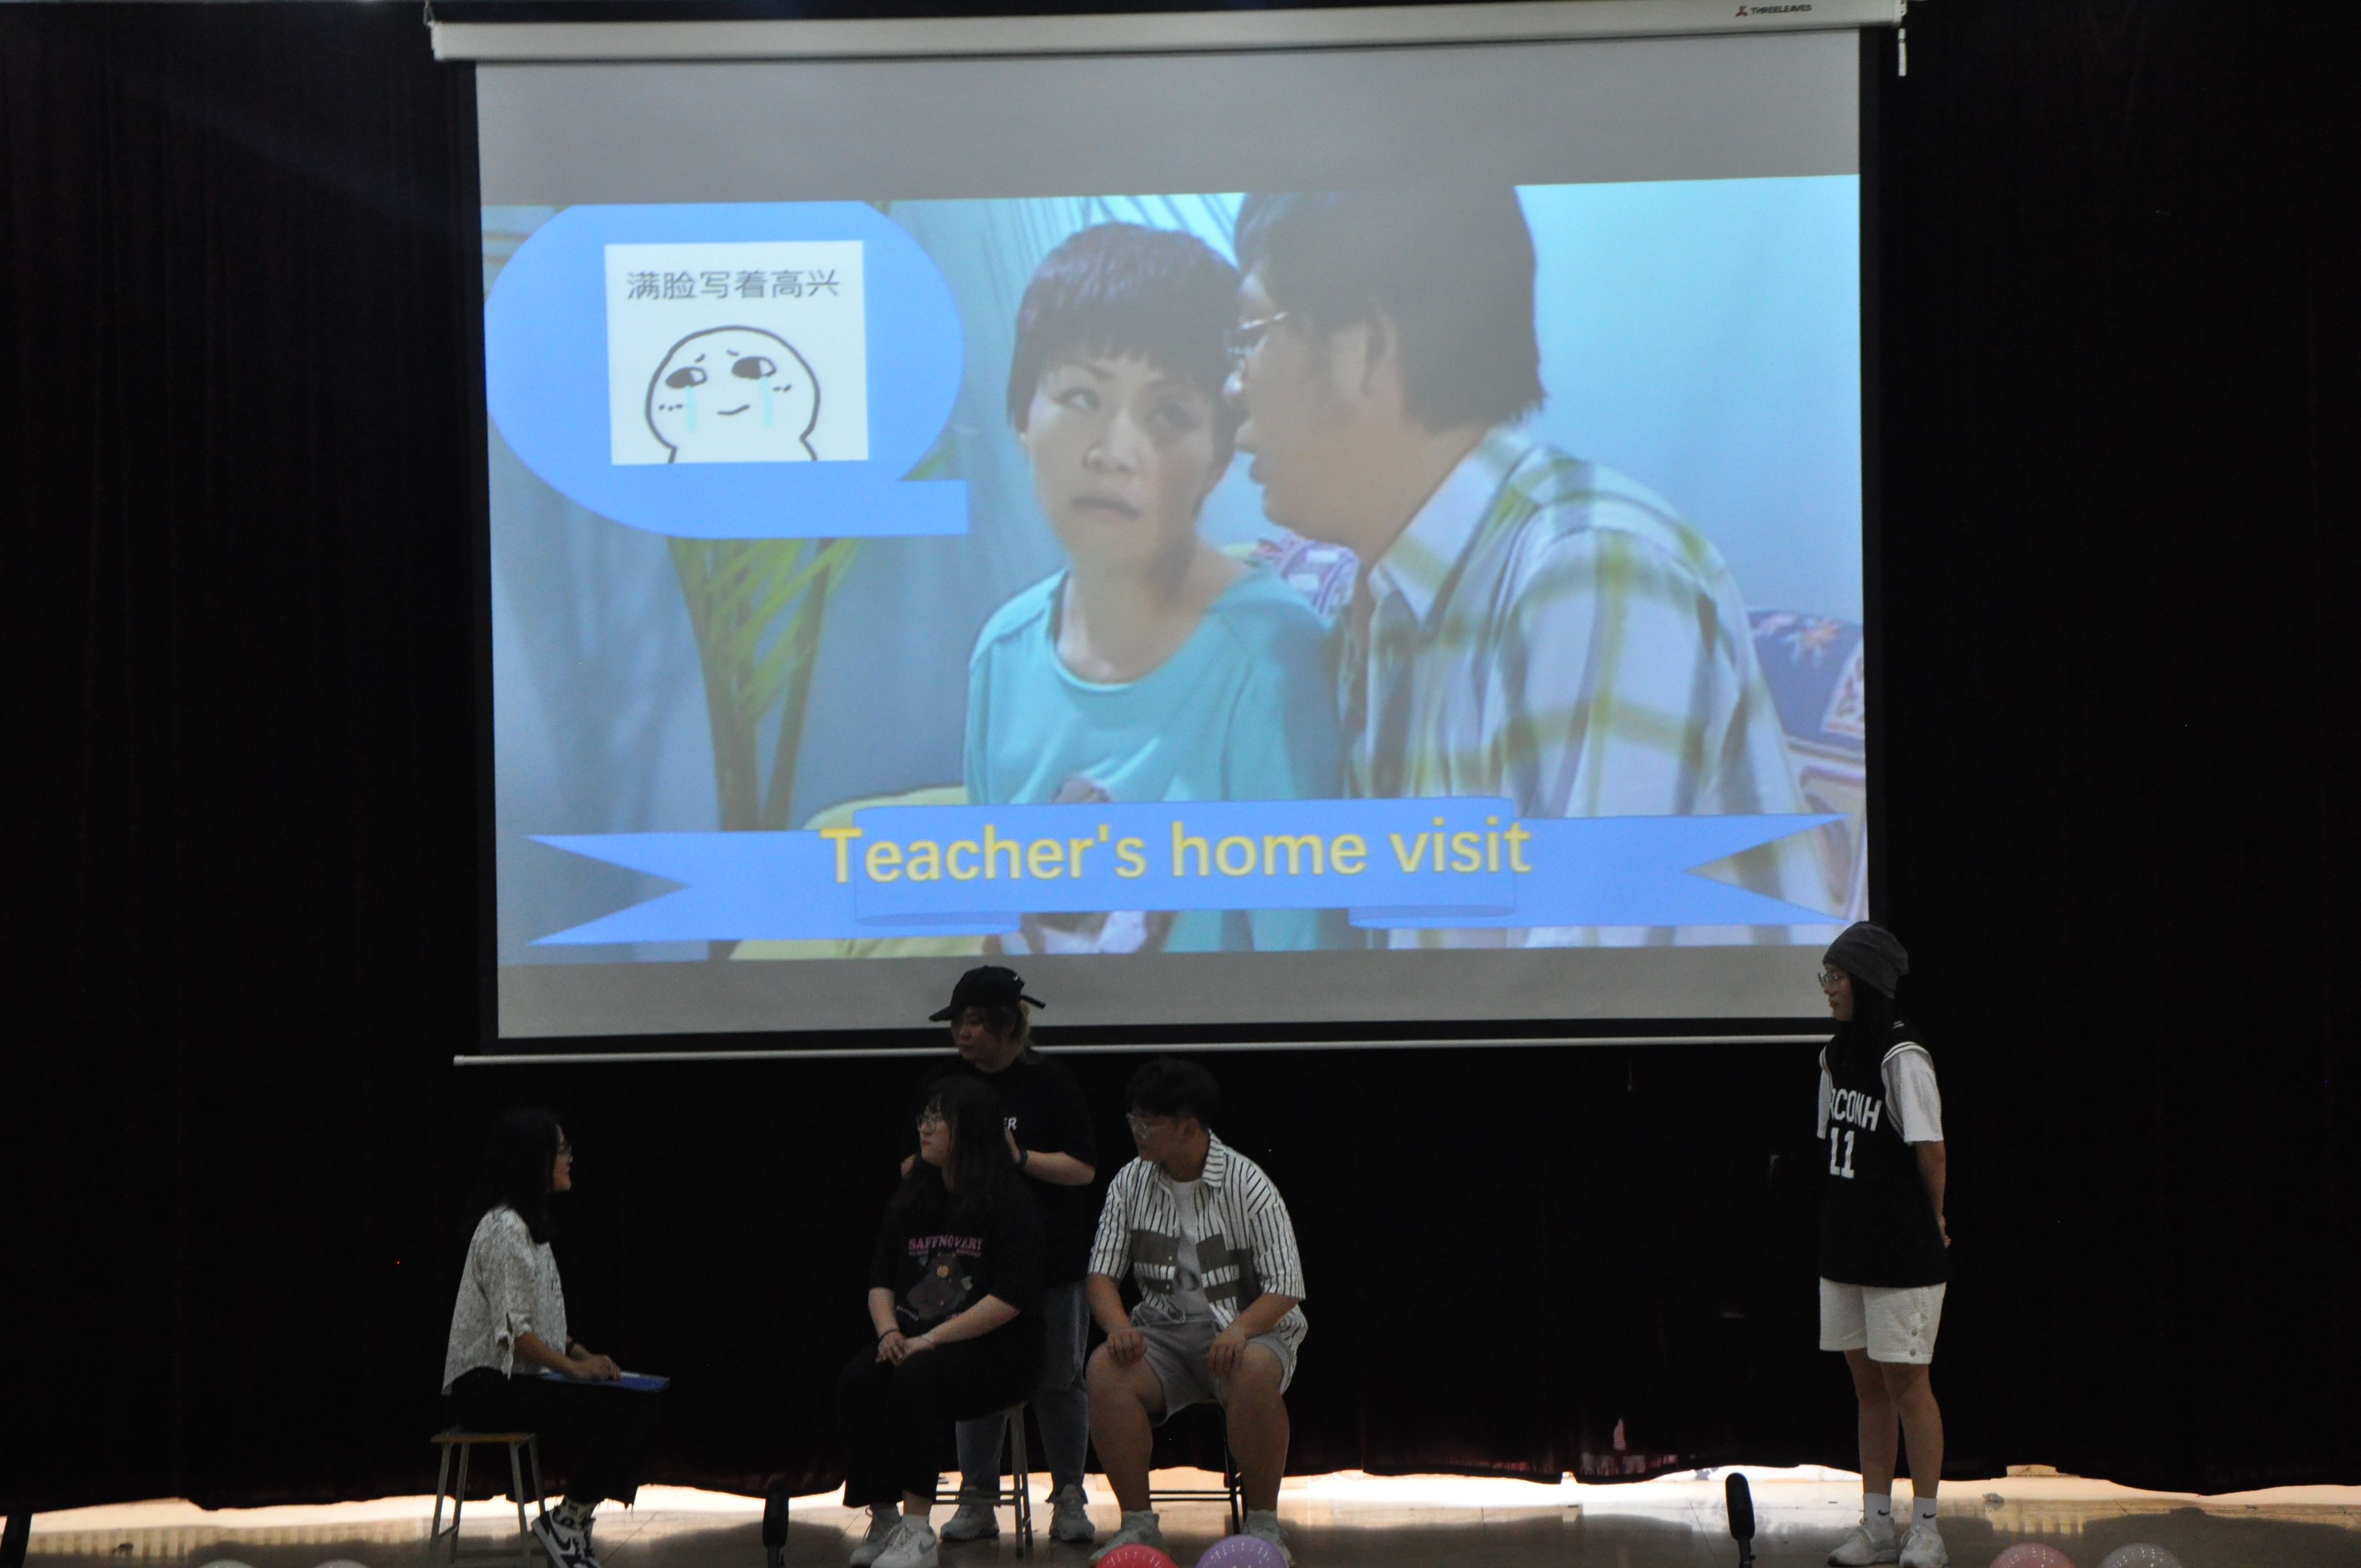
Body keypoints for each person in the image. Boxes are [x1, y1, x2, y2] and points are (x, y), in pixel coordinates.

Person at [1223, 189, 1829, 943]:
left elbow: (1581, 992)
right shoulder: (1374, 595)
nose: (1233, 387)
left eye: (1252, 335)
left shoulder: (1592, 573)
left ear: (1367, 348)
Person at [966, 220, 1343, 954]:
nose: (1116, 453)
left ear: (1220, 457)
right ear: (1021, 419)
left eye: (1169, 414)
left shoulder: (1271, 661)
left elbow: (1306, 970)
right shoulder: (1002, 653)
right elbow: (995, 936)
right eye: (1081, 397)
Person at [903, 967, 1101, 1548]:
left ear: (1007, 1024)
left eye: (972, 1022)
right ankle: (977, 1498)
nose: (961, 1035)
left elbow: (1083, 1169)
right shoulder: (944, 1085)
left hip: (1052, 1263)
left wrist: (1018, 1159)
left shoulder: (1050, 1081)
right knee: (972, 1373)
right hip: (969, 1265)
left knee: (1059, 1380)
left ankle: (1069, 1496)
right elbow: (909, 1166)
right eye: (956, 1023)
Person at [1083, 1059, 1307, 1565]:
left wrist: (1240, 1329)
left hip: (1248, 1329)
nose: (1136, 1132)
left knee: (1252, 1369)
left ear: (1188, 1128)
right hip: (1163, 1333)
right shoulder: (1129, 1182)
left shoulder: (1247, 1183)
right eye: (1133, 1120)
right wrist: (1119, 1327)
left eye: (1148, 1123)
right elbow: (1100, 1276)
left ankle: (1264, 1525)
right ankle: (1138, 1525)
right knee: (1105, 1370)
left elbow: (1286, 1287)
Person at [837, 1074, 1047, 1568]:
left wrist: (930, 1339)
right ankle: (884, 1517)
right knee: (860, 1380)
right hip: (915, 1341)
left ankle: (918, 1531)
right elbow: (881, 1280)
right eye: (923, 1118)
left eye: (938, 1119)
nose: (924, 1129)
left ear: (969, 1129)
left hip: (997, 1350)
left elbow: (1008, 1300)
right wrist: (890, 1333)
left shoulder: (1011, 1202)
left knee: (918, 1378)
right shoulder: (913, 1196)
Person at [443, 1109, 658, 1568]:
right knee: (624, 1413)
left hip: (513, 1381)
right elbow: (516, 1335)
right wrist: (576, 1370)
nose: (570, 1158)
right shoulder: (504, 1229)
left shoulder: (527, 1227)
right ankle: (568, 1521)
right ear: (534, 1159)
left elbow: (540, 1325)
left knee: (635, 1402)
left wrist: (582, 1354)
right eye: (562, 1150)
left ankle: (572, 1520)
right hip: (485, 1388)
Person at [1815, 922, 1951, 1568]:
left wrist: (1933, 1220)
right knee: (1866, 1385)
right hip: (1846, 1246)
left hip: (1901, 1251)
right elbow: (1828, 1145)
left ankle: (1926, 1529)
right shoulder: (1834, 1055)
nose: (1827, 989)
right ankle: (1876, 1526)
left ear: (1865, 982)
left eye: (1836, 977)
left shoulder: (1903, 1055)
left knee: (1908, 1384)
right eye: (1825, 977)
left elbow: (1931, 1150)